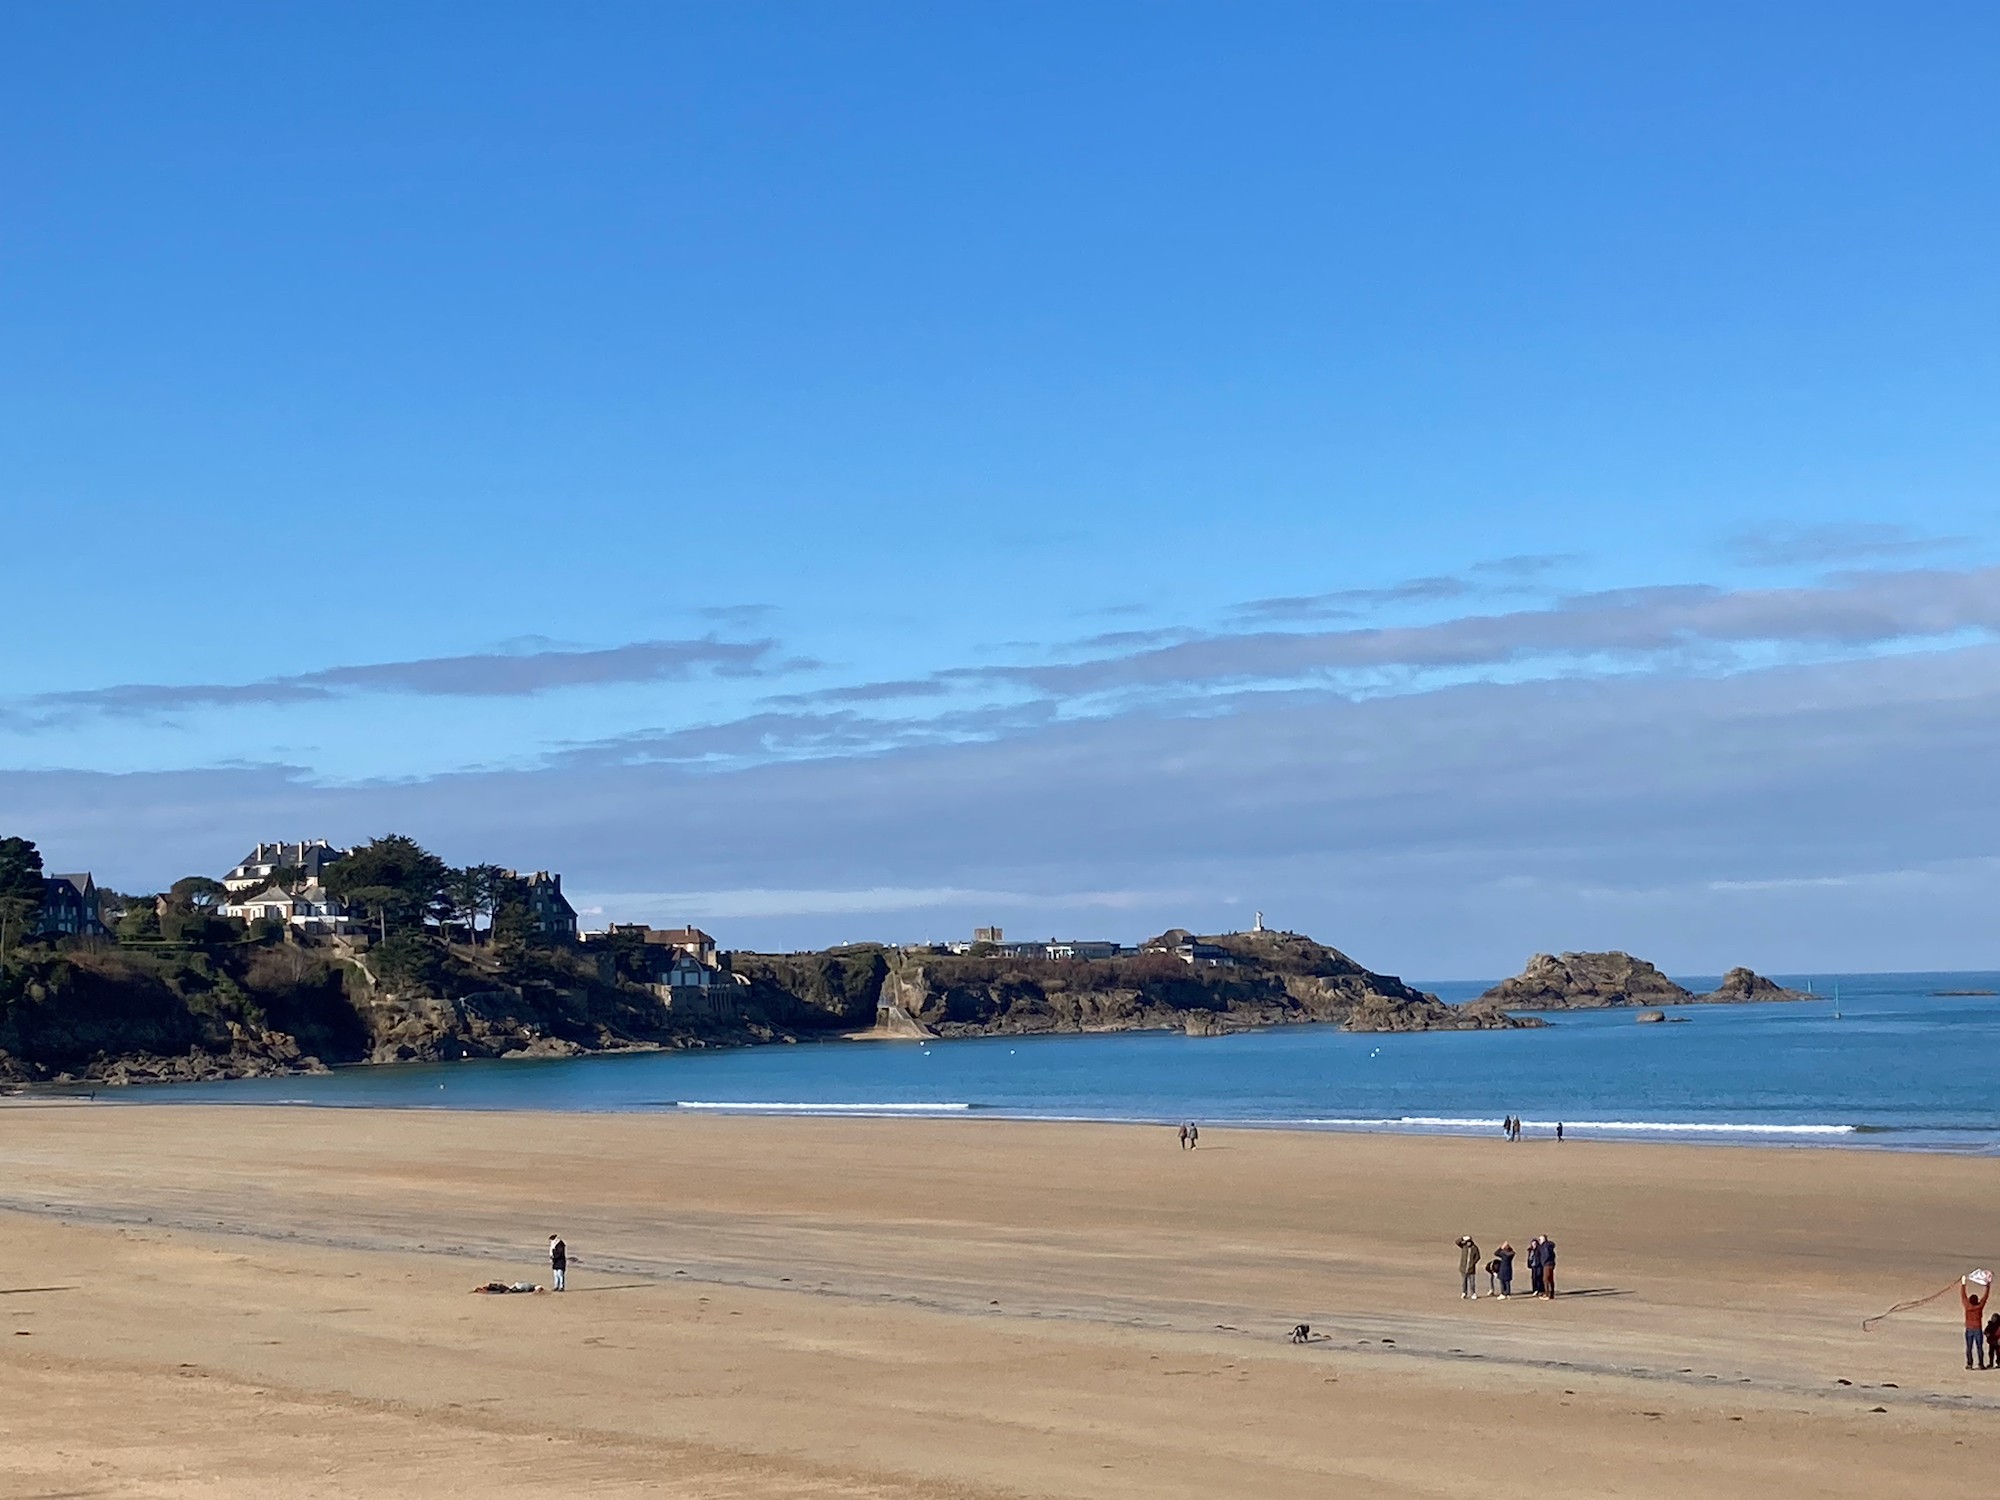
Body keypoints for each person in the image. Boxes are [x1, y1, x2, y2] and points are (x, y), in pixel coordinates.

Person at [1963, 1278, 1989, 1369]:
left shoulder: (1967, 1306)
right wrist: (1988, 1286)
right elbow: (1985, 1298)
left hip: (1969, 1329)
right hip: (1977, 1329)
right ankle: (1981, 1364)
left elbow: (1963, 1296)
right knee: (1979, 1348)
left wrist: (1963, 1284)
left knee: (1969, 1348)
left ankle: (1969, 1364)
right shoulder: (1979, 1307)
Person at [1457, 1235, 1481, 1300]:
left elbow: (1478, 1256)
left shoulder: (1474, 1248)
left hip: (1471, 1269)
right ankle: (1464, 1292)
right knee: (1464, 1282)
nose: (1468, 1243)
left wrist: (1473, 1263)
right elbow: (1457, 1242)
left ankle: (1473, 1293)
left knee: (1472, 1282)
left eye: (1469, 1242)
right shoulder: (1464, 1246)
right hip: (1463, 1268)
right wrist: (1462, 1238)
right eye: (1467, 1242)